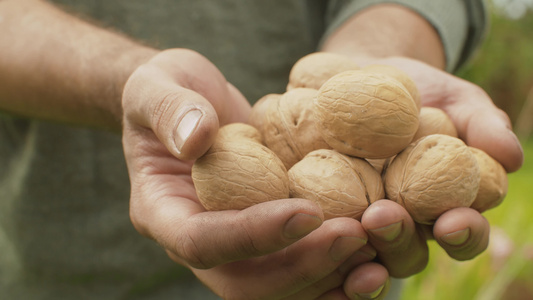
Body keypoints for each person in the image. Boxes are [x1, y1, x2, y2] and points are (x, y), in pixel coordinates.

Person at [0, 0, 524, 299]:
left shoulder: (361, 127)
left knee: (365, 225)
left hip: (350, 272)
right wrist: (123, 80)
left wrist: (372, 55)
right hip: (68, 278)